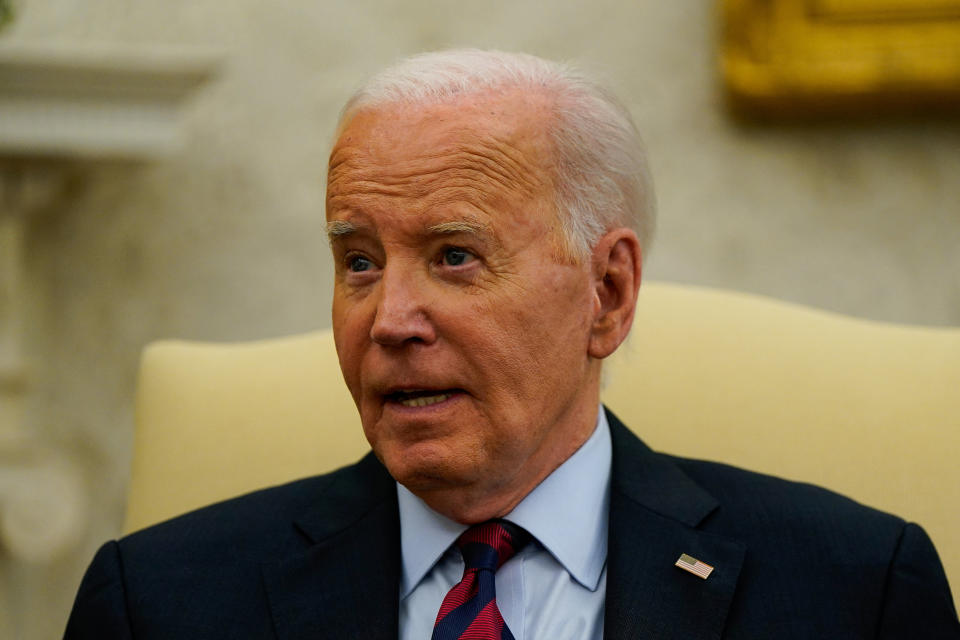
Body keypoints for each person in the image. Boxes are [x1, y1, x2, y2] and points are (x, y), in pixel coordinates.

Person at [65, 49, 958, 639]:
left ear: (606, 295)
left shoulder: (853, 591)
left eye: (455, 257)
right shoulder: (160, 603)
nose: (389, 319)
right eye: (360, 262)